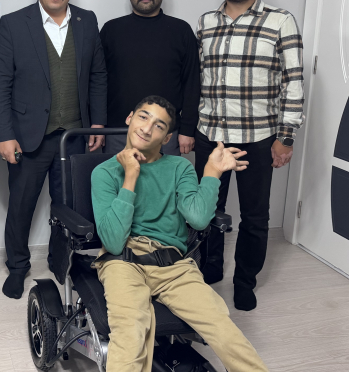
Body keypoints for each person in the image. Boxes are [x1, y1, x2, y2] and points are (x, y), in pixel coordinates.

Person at [92, 95, 268, 372]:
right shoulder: (104, 173)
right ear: (129, 118)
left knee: (222, 327)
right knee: (130, 333)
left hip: (173, 265)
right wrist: (130, 176)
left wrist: (212, 172)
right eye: (143, 117)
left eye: (159, 125)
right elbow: (113, 242)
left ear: (166, 138)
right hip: (122, 261)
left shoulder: (179, 167)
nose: (147, 128)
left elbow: (198, 219)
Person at [194, 0, 304, 311]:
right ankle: (209, 271)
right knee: (206, 210)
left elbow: (293, 81)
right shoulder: (205, 23)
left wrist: (285, 137)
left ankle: (245, 281)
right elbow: (197, 78)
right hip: (211, 135)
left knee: (254, 216)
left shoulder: (280, 20)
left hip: (257, 138)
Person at [0, 0, 107, 299]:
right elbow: (0, 83)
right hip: (28, 136)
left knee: (68, 206)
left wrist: (98, 124)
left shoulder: (87, 21)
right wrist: (5, 134)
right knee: (21, 206)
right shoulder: (13, 24)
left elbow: (98, 75)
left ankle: (61, 263)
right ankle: (18, 267)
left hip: (74, 136)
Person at [100, 0, 199, 156]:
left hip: (166, 134)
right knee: (118, 177)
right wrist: (98, 125)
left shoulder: (181, 31)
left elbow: (192, 84)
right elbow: (97, 81)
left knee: (164, 178)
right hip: (117, 133)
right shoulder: (111, 30)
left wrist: (187, 129)